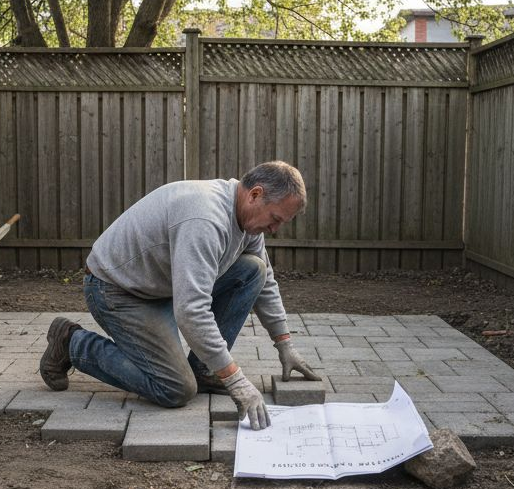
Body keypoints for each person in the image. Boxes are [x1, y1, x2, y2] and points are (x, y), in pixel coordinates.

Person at [38, 161, 319, 430]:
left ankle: (206, 371)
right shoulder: (206, 219)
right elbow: (191, 311)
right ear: (255, 195)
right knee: (175, 389)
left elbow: (265, 280)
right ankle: (72, 342)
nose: (274, 229)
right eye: (275, 219)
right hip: (117, 291)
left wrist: (284, 342)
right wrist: (234, 378)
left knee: (253, 270)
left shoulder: (247, 221)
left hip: (159, 286)